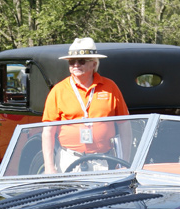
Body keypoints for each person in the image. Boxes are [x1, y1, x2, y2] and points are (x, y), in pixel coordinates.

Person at [41, 38, 130, 174]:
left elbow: (125, 125)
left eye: (81, 61)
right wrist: (49, 167)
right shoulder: (58, 90)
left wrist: (125, 161)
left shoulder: (110, 87)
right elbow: (48, 131)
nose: (76, 65)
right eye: (72, 62)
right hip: (69, 159)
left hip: (104, 159)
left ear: (94, 64)